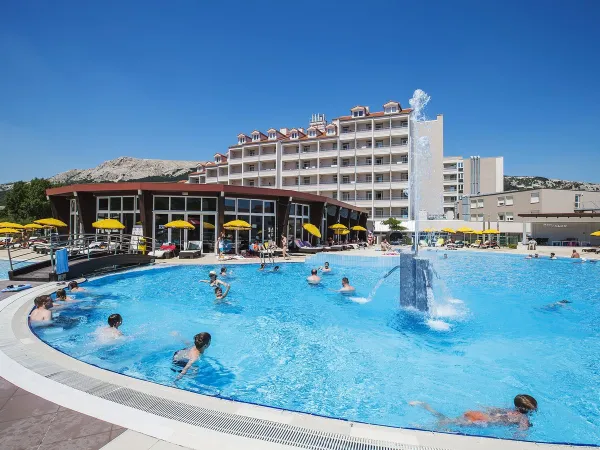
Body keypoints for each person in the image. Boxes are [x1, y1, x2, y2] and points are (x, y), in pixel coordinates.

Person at [409, 394, 537, 431]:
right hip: (481, 421)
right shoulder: (523, 419)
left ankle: (424, 406)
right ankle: (423, 428)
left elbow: (491, 409)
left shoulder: (509, 410)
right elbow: (520, 435)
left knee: (448, 420)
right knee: (447, 423)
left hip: (478, 414)